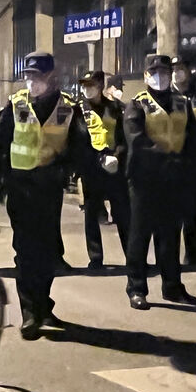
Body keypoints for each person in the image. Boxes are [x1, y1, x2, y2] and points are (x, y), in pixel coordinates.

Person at [0, 51, 91, 337]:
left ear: (52, 78)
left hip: (49, 190)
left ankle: (44, 307)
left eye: (37, 77)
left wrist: (66, 171)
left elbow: (80, 148)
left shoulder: (68, 108)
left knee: (48, 252)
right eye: (28, 76)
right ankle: (30, 313)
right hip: (21, 189)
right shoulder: (15, 105)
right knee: (26, 253)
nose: (32, 82)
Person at [124, 53, 196, 310]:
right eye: (155, 73)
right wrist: (164, 157)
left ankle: (172, 286)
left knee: (170, 237)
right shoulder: (137, 105)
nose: (161, 77)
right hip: (145, 181)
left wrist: (188, 166)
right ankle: (137, 288)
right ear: (146, 76)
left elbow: (193, 137)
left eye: (165, 73)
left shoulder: (182, 103)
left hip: (174, 179)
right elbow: (136, 140)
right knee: (140, 236)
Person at [78, 70, 129, 269]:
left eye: (90, 84)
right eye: (84, 85)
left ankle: (131, 256)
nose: (87, 89)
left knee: (123, 215)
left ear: (100, 86)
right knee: (92, 215)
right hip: (91, 169)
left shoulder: (116, 108)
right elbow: (76, 141)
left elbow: (124, 137)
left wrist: (116, 156)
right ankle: (96, 258)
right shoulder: (78, 111)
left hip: (115, 169)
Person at [171, 56, 196, 267]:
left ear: (188, 70)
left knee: (192, 211)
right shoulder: (165, 97)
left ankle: (194, 255)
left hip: (194, 160)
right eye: (174, 69)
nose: (178, 72)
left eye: (181, 68)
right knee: (172, 214)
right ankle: (170, 258)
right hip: (171, 161)